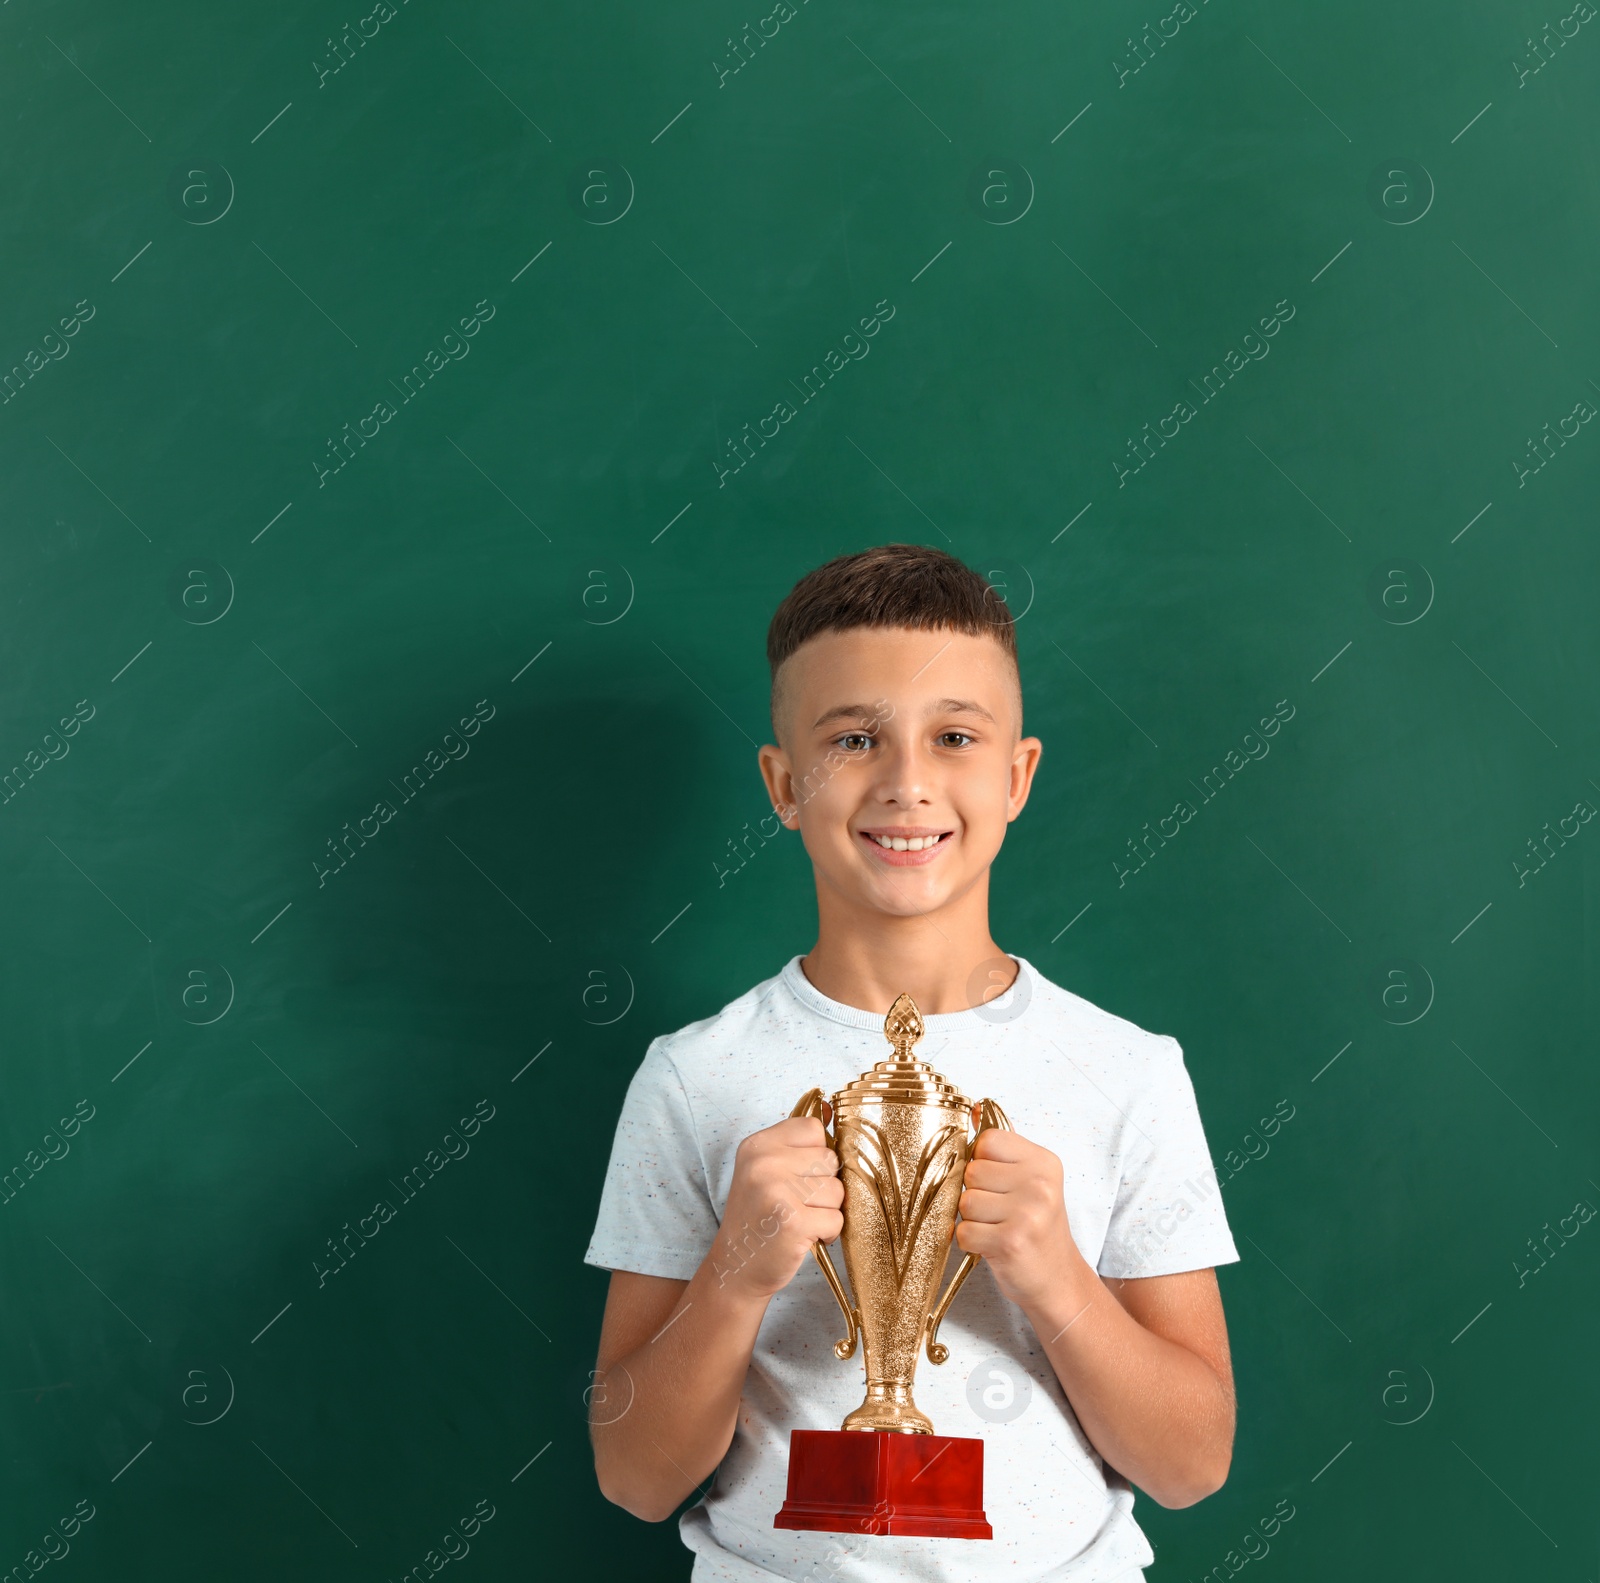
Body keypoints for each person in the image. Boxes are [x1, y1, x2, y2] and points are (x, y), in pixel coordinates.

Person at [584, 543, 1239, 1582]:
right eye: (853, 738)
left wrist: (1056, 1274)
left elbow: (1193, 1462)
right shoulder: (693, 1075)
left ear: (1015, 774)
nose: (905, 782)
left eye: (953, 736)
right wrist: (734, 1276)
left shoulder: (1128, 1069)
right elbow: (633, 1473)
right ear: (784, 782)